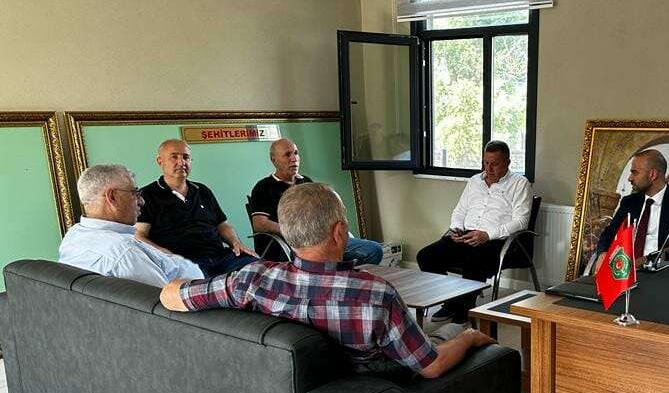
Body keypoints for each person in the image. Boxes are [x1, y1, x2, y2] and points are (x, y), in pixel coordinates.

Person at [160, 182, 494, 379]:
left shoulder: (250, 279)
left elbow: (170, 296)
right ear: (338, 232)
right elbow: (431, 367)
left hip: (301, 387)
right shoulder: (374, 294)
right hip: (377, 390)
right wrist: (469, 339)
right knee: (454, 333)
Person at [416, 140, 532, 322]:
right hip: (466, 235)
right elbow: (460, 210)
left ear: (508, 162)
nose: (489, 168)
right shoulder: (474, 181)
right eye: (486, 163)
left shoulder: (519, 183)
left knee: (475, 261)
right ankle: (451, 302)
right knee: (426, 256)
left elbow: (521, 222)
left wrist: (487, 235)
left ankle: (463, 313)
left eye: (495, 164)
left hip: (495, 240)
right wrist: (456, 227)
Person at [58, 164, 204, 286]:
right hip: (195, 294)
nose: (142, 201)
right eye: (135, 193)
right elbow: (165, 304)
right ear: (112, 197)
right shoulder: (126, 254)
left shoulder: (73, 235)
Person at [249, 138, 383, 265]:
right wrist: (293, 232)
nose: (294, 158)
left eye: (296, 153)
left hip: (321, 239)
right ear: (274, 160)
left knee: (374, 250)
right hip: (294, 246)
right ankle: (332, 274)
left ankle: (338, 275)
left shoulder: (306, 182)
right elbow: (259, 224)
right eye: (287, 154)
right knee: (323, 259)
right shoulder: (263, 187)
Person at [136, 140, 258, 277]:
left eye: (186, 157)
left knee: (259, 270)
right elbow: (139, 235)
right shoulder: (147, 195)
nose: (181, 162)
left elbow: (222, 224)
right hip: (185, 263)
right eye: (174, 157)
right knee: (209, 286)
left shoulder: (202, 190)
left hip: (220, 257)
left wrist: (236, 242)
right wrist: (165, 255)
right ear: (160, 161)